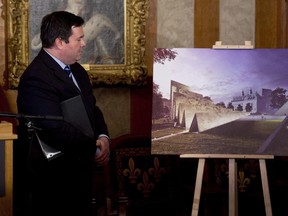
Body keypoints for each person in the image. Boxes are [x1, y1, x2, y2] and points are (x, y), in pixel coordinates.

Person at [16, 11, 110, 216]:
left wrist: (103, 136)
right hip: (54, 180)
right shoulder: (36, 78)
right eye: (79, 39)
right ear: (60, 42)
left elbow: (92, 109)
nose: (84, 43)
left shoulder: (77, 71)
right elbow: (53, 128)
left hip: (80, 174)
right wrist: (92, 146)